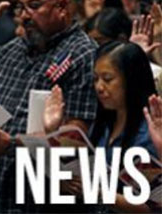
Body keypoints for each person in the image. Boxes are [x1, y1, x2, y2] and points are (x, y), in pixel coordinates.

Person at [0, 0, 98, 213]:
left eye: (33, 6)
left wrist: (11, 144)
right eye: (21, 8)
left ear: (62, 7)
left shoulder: (84, 55)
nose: (23, 16)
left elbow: (75, 137)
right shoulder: (12, 50)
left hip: (41, 195)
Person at [43, 41, 159, 212]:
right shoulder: (101, 126)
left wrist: (99, 192)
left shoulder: (149, 134)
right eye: (95, 79)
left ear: (131, 80)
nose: (99, 87)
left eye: (107, 79)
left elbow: (151, 207)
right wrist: (51, 131)